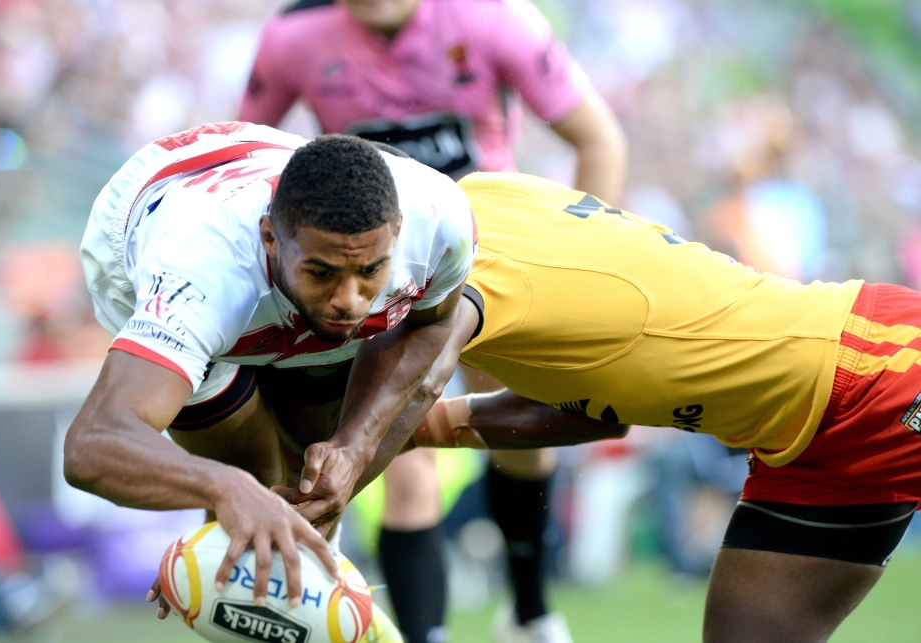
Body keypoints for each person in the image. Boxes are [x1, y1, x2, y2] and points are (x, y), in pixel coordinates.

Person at [390, 171, 920, 643]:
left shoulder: (468, 266)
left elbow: (409, 385)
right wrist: (419, 430)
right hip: (802, 453)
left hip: (876, 361)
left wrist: (346, 457)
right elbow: (595, 413)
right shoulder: (484, 205)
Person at [240, 0, 626, 639]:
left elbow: (598, 138)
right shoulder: (294, 38)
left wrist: (586, 261)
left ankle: (529, 610)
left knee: (522, 435)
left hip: (495, 260)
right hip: (372, 275)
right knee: (401, 454)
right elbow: (241, 148)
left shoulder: (494, 19)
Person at [62, 122, 476, 639]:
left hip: (255, 177)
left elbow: (432, 324)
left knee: (308, 482)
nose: (349, 299)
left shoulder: (440, 222)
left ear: (396, 234)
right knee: (255, 484)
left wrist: (354, 447)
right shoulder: (200, 275)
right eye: (324, 272)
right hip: (152, 213)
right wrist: (223, 486)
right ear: (269, 238)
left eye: (370, 271)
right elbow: (92, 445)